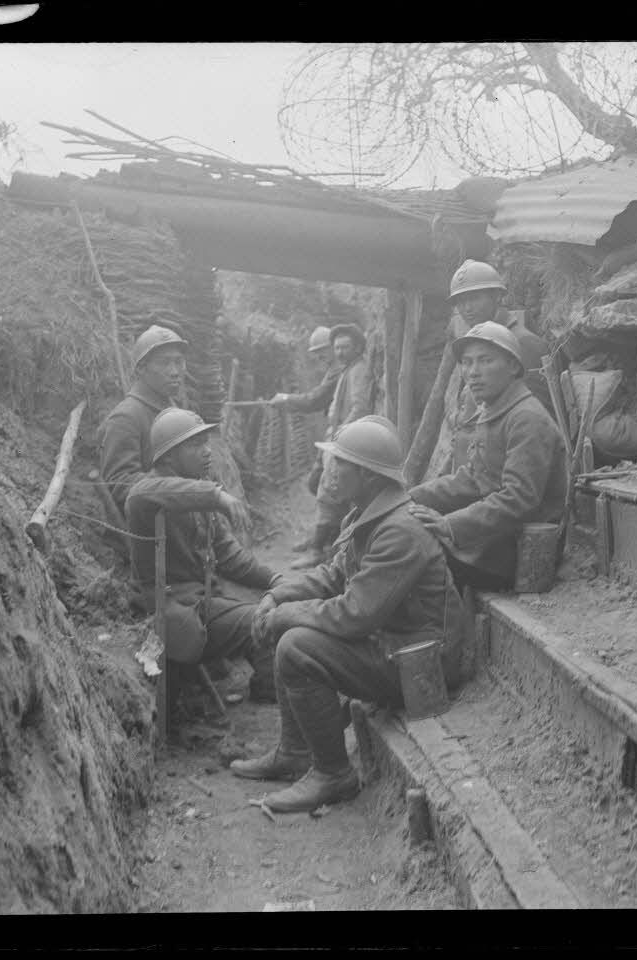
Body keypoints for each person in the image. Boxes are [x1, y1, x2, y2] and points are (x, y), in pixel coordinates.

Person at [230, 416, 466, 813]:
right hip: (397, 645)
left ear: (369, 476)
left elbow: (355, 614)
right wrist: (278, 596)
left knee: (297, 646)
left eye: (340, 463)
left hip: (423, 663)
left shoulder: (400, 530)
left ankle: (333, 773)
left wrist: (287, 616)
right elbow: (333, 574)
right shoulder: (367, 515)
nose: (329, 470)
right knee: (292, 631)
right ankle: (295, 751)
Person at [125, 408, 284, 703]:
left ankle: (265, 688)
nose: (207, 452)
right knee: (267, 621)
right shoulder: (149, 493)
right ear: (169, 456)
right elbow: (143, 491)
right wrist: (216, 495)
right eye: (195, 445)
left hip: (202, 600)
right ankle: (269, 695)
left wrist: (274, 579)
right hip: (171, 607)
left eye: (206, 442)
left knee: (268, 609)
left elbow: (229, 555)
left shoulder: (195, 490)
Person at [408, 321, 567, 592]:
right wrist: (412, 496)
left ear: (514, 367)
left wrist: (449, 524)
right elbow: (473, 478)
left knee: (412, 553)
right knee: (402, 532)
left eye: (485, 361)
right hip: (494, 537)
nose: (473, 372)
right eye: (467, 363)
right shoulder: (496, 409)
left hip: (514, 550)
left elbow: (519, 499)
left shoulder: (526, 418)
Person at [272, 323, 374, 568]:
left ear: (358, 347)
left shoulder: (358, 370)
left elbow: (359, 407)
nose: (339, 353)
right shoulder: (347, 369)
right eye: (337, 348)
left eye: (344, 347)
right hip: (338, 437)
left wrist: (342, 435)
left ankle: (319, 549)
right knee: (324, 487)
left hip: (345, 442)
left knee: (328, 493)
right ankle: (328, 542)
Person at [445, 260, 551, 472]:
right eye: (461, 301)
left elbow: (537, 422)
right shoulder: (473, 344)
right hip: (474, 470)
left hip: (507, 468)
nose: (467, 308)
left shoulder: (524, 344)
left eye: (474, 298)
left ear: (497, 297)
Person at [98, 324, 190, 518]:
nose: (174, 371)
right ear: (141, 369)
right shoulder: (126, 417)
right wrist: (172, 481)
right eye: (164, 363)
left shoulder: (175, 411)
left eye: (179, 361)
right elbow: (119, 484)